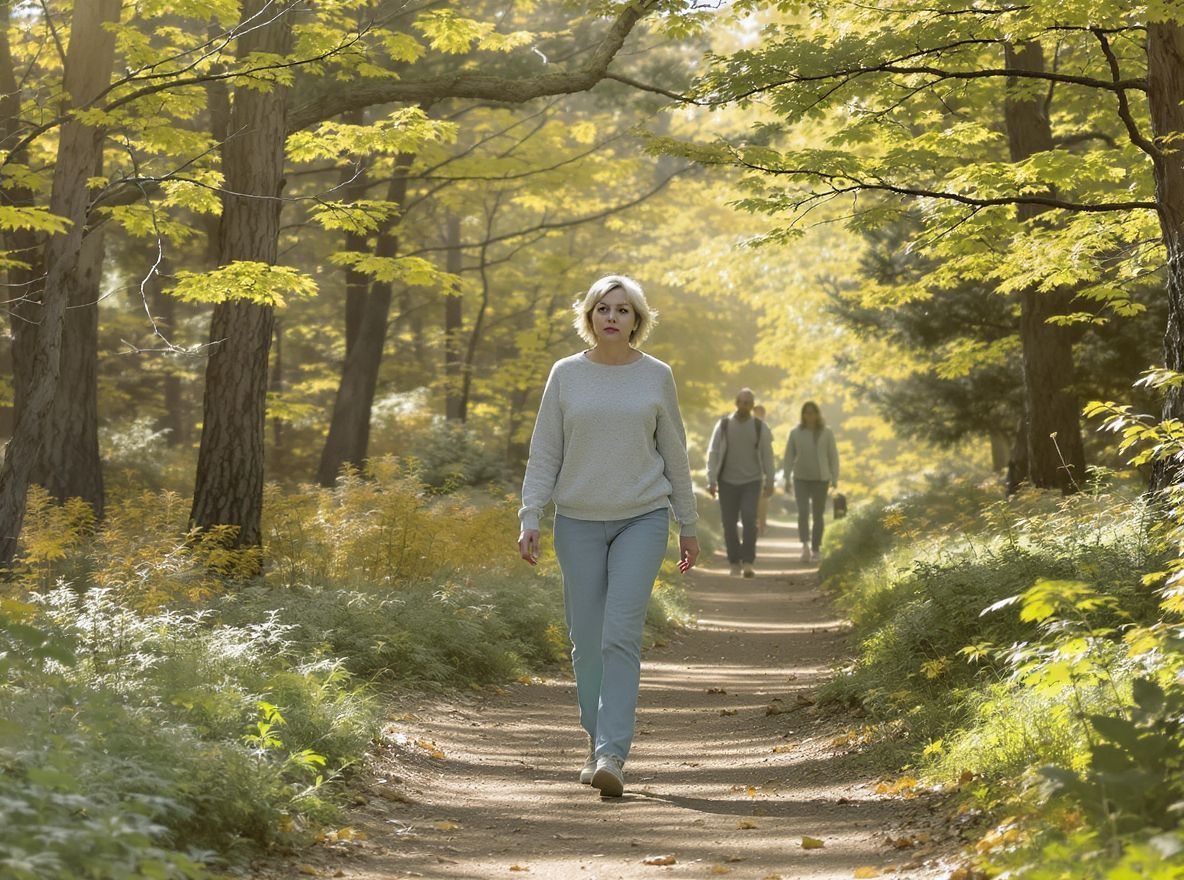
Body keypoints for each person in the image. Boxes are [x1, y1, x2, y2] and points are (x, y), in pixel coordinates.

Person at [517, 274, 699, 800]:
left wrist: (688, 524)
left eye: (623, 310)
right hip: (576, 520)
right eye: (603, 309)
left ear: (637, 320)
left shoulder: (657, 376)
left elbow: (676, 455)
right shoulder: (565, 375)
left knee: (619, 635)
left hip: (642, 517)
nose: (612, 317)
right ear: (590, 317)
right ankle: (597, 742)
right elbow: (545, 451)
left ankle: (612, 754)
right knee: (586, 641)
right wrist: (530, 515)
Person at [706, 388, 775, 578]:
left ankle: (748, 562)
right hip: (726, 481)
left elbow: (768, 456)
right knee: (729, 523)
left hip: (752, 481)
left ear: (753, 406)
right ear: (736, 403)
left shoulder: (760, 427)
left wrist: (770, 480)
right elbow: (713, 453)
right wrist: (711, 479)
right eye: (741, 402)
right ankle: (734, 562)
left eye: (748, 403)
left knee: (749, 518)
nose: (744, 406)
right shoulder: (724, 425)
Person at [783, 401, 839, 562]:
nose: (810, 415)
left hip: (821, 479)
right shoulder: (795, 433)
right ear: (803, 415)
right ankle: (805, 546)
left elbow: (833, 456)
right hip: (800, 477)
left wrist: (834, 477)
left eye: (812, 412)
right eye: (806, 413)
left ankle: (816, 548)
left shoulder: (826, 433)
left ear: (817, 414)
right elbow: (788, 457)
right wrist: (786, 478)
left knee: (818, 514)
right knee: (803, 512)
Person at [752, 404, 772, 535]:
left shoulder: (765, 429)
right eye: (756, 413)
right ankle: (754, 523)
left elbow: (769, 451)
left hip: (761, 470)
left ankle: (762, 523)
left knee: (762, 499)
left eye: (761, 413)